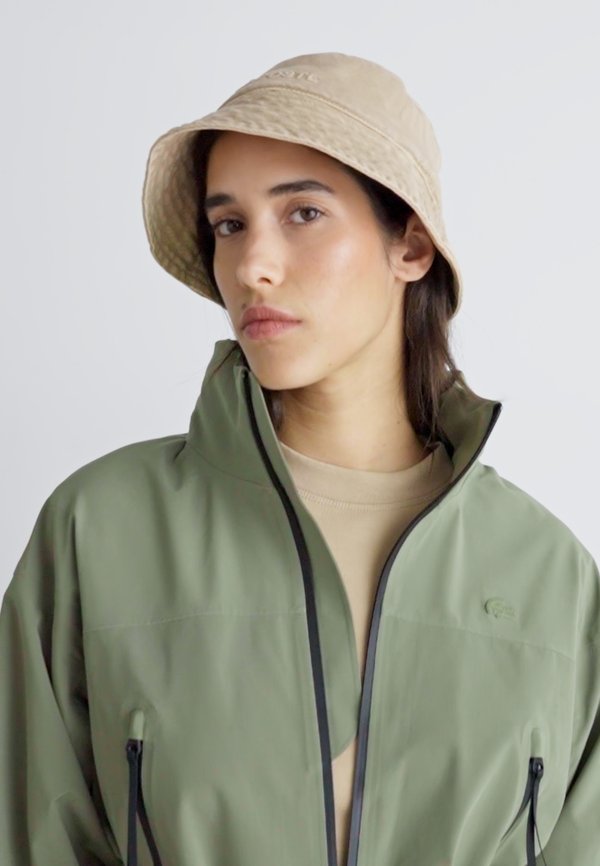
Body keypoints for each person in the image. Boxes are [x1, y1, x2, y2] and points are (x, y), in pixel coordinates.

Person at [0, 51, 598, 866]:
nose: (253, 265)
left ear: (410, 246)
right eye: (228, 225)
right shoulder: (99, 531)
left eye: (304, 213)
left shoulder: (550, 575)